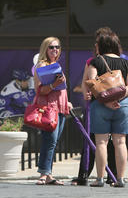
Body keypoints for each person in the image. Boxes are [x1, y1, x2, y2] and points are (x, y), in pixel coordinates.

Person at [83, 30, 128, 188]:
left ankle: (99, 179)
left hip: (101, 105)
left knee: (101, 143)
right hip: (123, 105)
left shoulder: (96, 62)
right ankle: (120, 179)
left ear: (102, 46)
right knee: (120, 142)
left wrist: (106, 101)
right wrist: (118, 98)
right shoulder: (126, 63)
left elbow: (91, 83)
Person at [71, 27, 118, 186]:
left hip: (111, 104)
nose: (97, 45)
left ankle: (112, 176)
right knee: (90, 141)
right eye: (97, 42)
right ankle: (84, 175)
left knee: (111, 142)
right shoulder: (91, 62)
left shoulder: (117, 60)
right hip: (97, 104)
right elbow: (86, 82)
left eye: (100, 42)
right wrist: (86, 93)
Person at [32, 36, 72, 185]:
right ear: (45, 49)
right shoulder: (42, 65)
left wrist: (67, 102)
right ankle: (43, 173)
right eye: (51, 47)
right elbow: (39, 89)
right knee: (49, 141)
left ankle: (48, 174)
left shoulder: (56, 64)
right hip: (49, 108)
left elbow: (62, 89)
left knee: (53, 142)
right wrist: (55, 84)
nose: (55, 49)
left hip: (60, 107)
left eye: (57, 47)